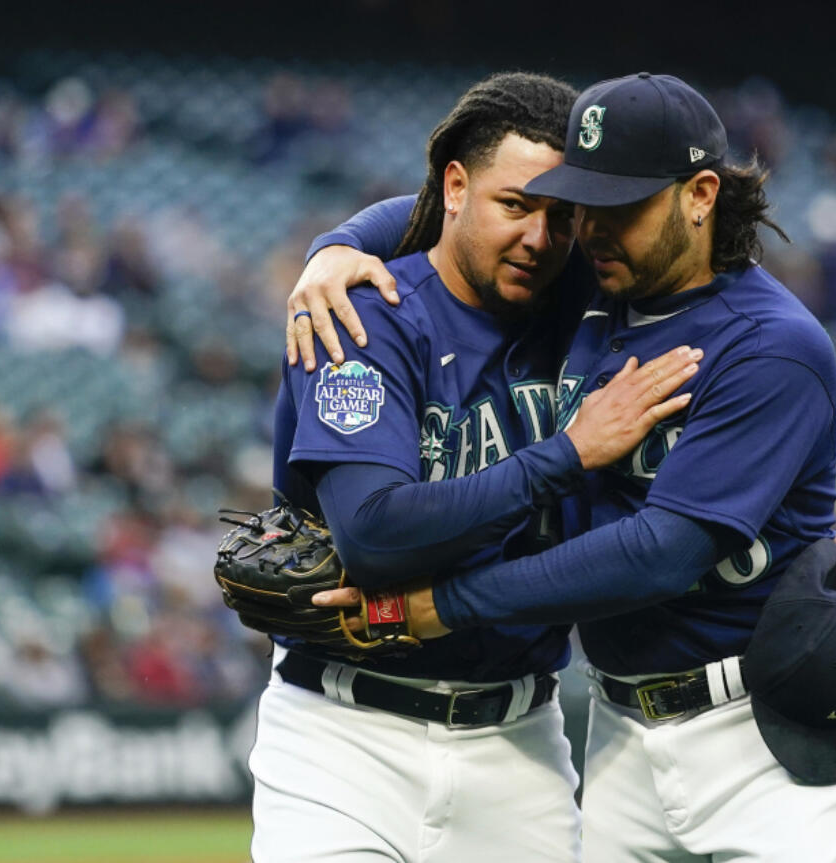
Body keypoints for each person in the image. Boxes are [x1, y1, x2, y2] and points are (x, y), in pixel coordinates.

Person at [295, 73, 836, 863]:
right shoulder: (591, 282)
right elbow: (465, 207)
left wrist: (448, 602)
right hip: (616, 740)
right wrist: (336, 247)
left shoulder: (772, 342)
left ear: (701, 194)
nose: (591, 229)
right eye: (585, 204)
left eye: (623, 205)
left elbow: (661, 553)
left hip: (762, 728)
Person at [253, 71, 708, 863]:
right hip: (345, 740)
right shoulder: (366, 313)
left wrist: (818, 543)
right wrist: (566, 454)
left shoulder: (584, 303)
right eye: (515, 205)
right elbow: (374, 537)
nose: (539, 235)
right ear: (455, 188)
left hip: (521, 745)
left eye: (562, 216)